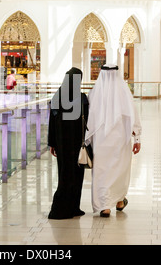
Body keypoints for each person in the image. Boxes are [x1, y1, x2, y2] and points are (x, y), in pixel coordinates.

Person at [85, 64, 141, 217]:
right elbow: (133, 115)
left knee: (102, 172)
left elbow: (89, 119)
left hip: (101, 141)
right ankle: (119, 201)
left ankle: (105, 206)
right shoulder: (124, 92)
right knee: (119, 169)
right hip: (120, 140)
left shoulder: (94, 93)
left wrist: (87, 140)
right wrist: (137, 138)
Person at [47, 67, 88, 219]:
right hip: (77, 144)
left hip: (61, 144)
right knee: (76, 175)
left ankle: (68, 208)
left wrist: (52, 143)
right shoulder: (82, 98)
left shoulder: (57, 97)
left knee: (64, 174)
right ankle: (71, 208)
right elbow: (87, 122)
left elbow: (51, 121)